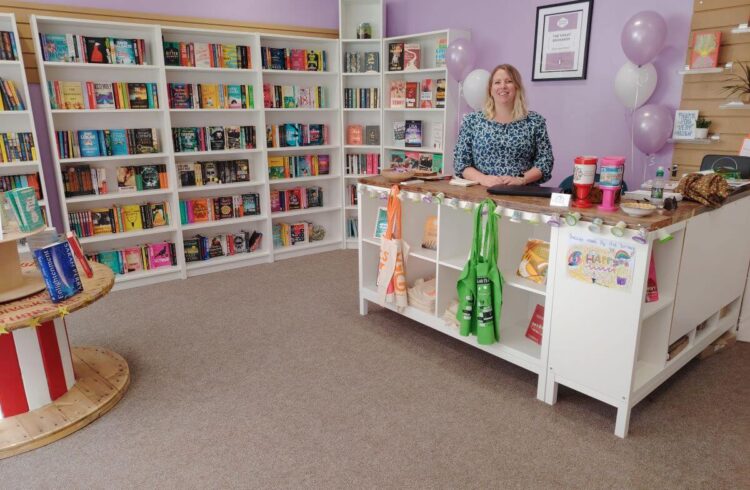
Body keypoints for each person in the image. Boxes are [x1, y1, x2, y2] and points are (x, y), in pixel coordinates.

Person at [453, 64, 554, 187]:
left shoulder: (534, 121)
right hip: (481, 195)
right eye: (497, 82)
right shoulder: (472, 121)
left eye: (509, 81)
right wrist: (483, 179)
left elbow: (545, 161)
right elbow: (461, 163)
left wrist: (521, 179)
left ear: (517, 87)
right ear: (490, 89)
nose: (503, 86)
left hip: (522, 195)